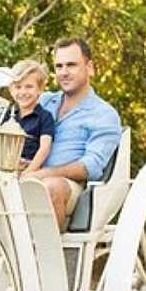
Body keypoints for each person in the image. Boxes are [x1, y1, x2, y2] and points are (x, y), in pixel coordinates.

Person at [25, 38, 121, 231]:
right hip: (29, 175)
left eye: (71, 65)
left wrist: (43, 173)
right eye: (59, 66)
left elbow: (90, 167)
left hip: (70, 187)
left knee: (49, 187)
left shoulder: (103, 114)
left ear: (90, 67)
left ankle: (46, 258)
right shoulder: (44, 101)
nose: (64, 72)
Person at [4, 59, 54, 175]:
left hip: (30, 169)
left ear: (40, 89)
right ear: (11, 89)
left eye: (29, 87)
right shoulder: (7, 114)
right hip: (6, 169)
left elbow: (44, 149)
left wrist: (29, 171)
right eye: (18, 87)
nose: (23, 92)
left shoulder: (45, 117)